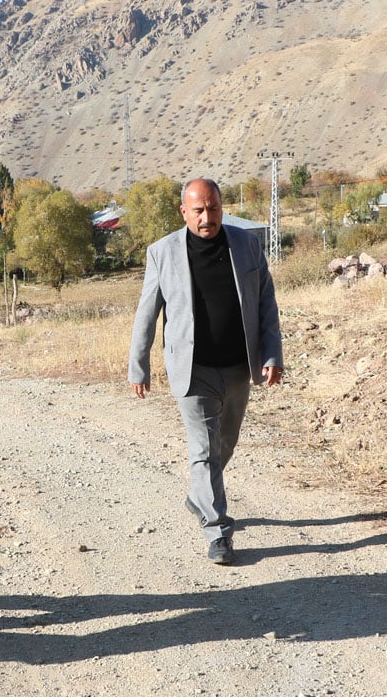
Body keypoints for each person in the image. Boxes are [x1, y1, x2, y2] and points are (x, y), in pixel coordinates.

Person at [128, 177, 283, 565]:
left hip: (237, 367)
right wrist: (139, 365)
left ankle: (200, 495)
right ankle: (218, 531)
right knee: (203, 450)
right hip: (192, 370)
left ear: (221, 207)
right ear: (184, 212)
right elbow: (147, 312)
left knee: (223, 445)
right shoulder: (162, 252)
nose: (206, 217)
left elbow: (266, 302)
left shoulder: (246, 245)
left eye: (212, 208)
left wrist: (272, 354)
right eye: (198, 210)